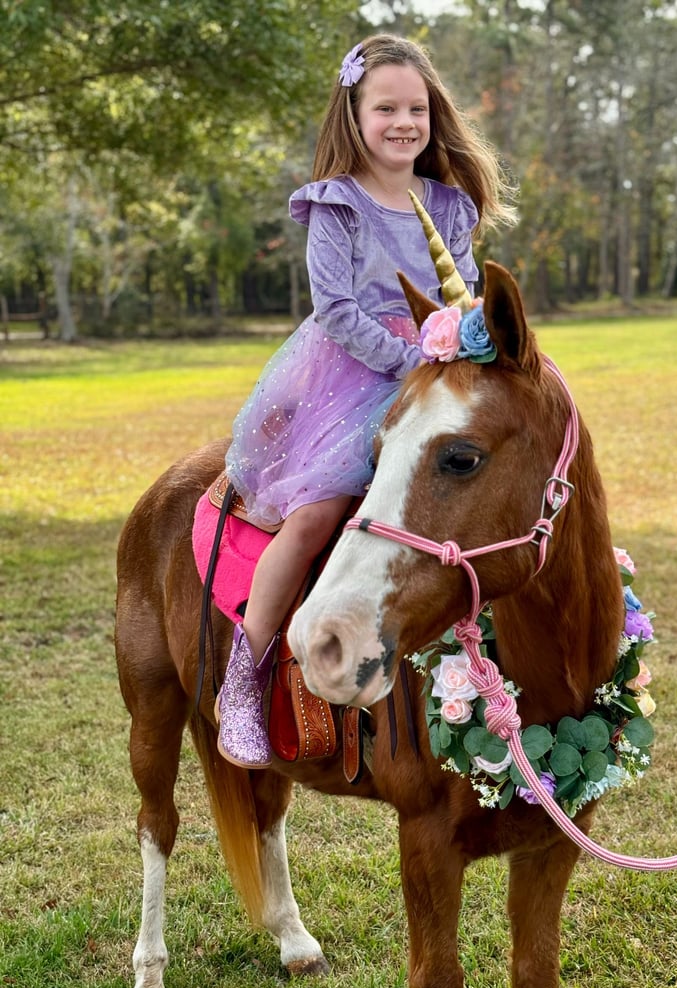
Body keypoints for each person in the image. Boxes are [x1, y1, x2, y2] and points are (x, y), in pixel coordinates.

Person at [216, 33, 515, 767]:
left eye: (416, 108)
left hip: (437, 365)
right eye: (386, 108)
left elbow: (464, 293)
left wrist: (471, 339)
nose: (403, 122)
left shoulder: (448, 203)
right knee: (319, 509)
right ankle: (243, 676)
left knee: (501, 476)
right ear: (355, 114)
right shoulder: (336, 204)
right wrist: (413, 354)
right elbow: (338, 309)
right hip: (354, 374)